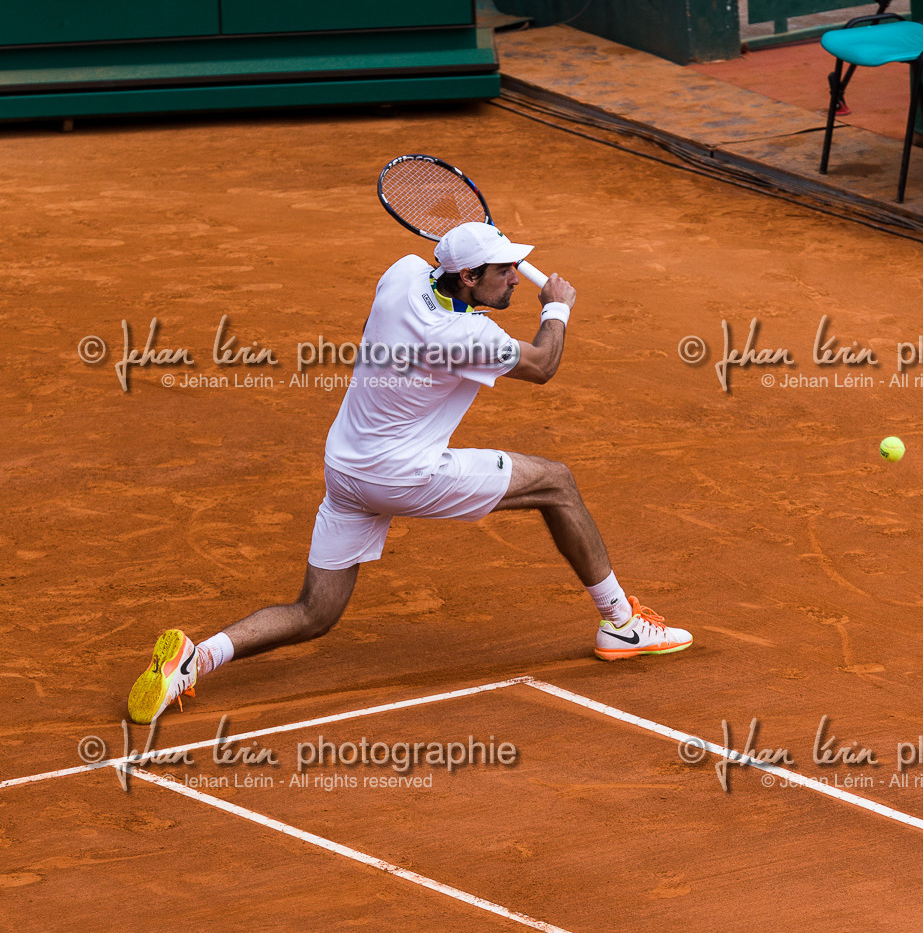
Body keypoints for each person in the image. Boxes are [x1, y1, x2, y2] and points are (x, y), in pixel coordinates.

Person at [128, 221, 691, 723]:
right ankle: (621, 623)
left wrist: (481, 256)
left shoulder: (401, 276)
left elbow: (433, 276)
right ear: (467, 276)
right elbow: (542, 365)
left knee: (314, 612)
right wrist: (557, 307)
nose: (516, 278)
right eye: (503, 270)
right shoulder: (469, 337)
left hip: (346, 469)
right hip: (403, 475)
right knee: (557, 483)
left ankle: (197, 658)